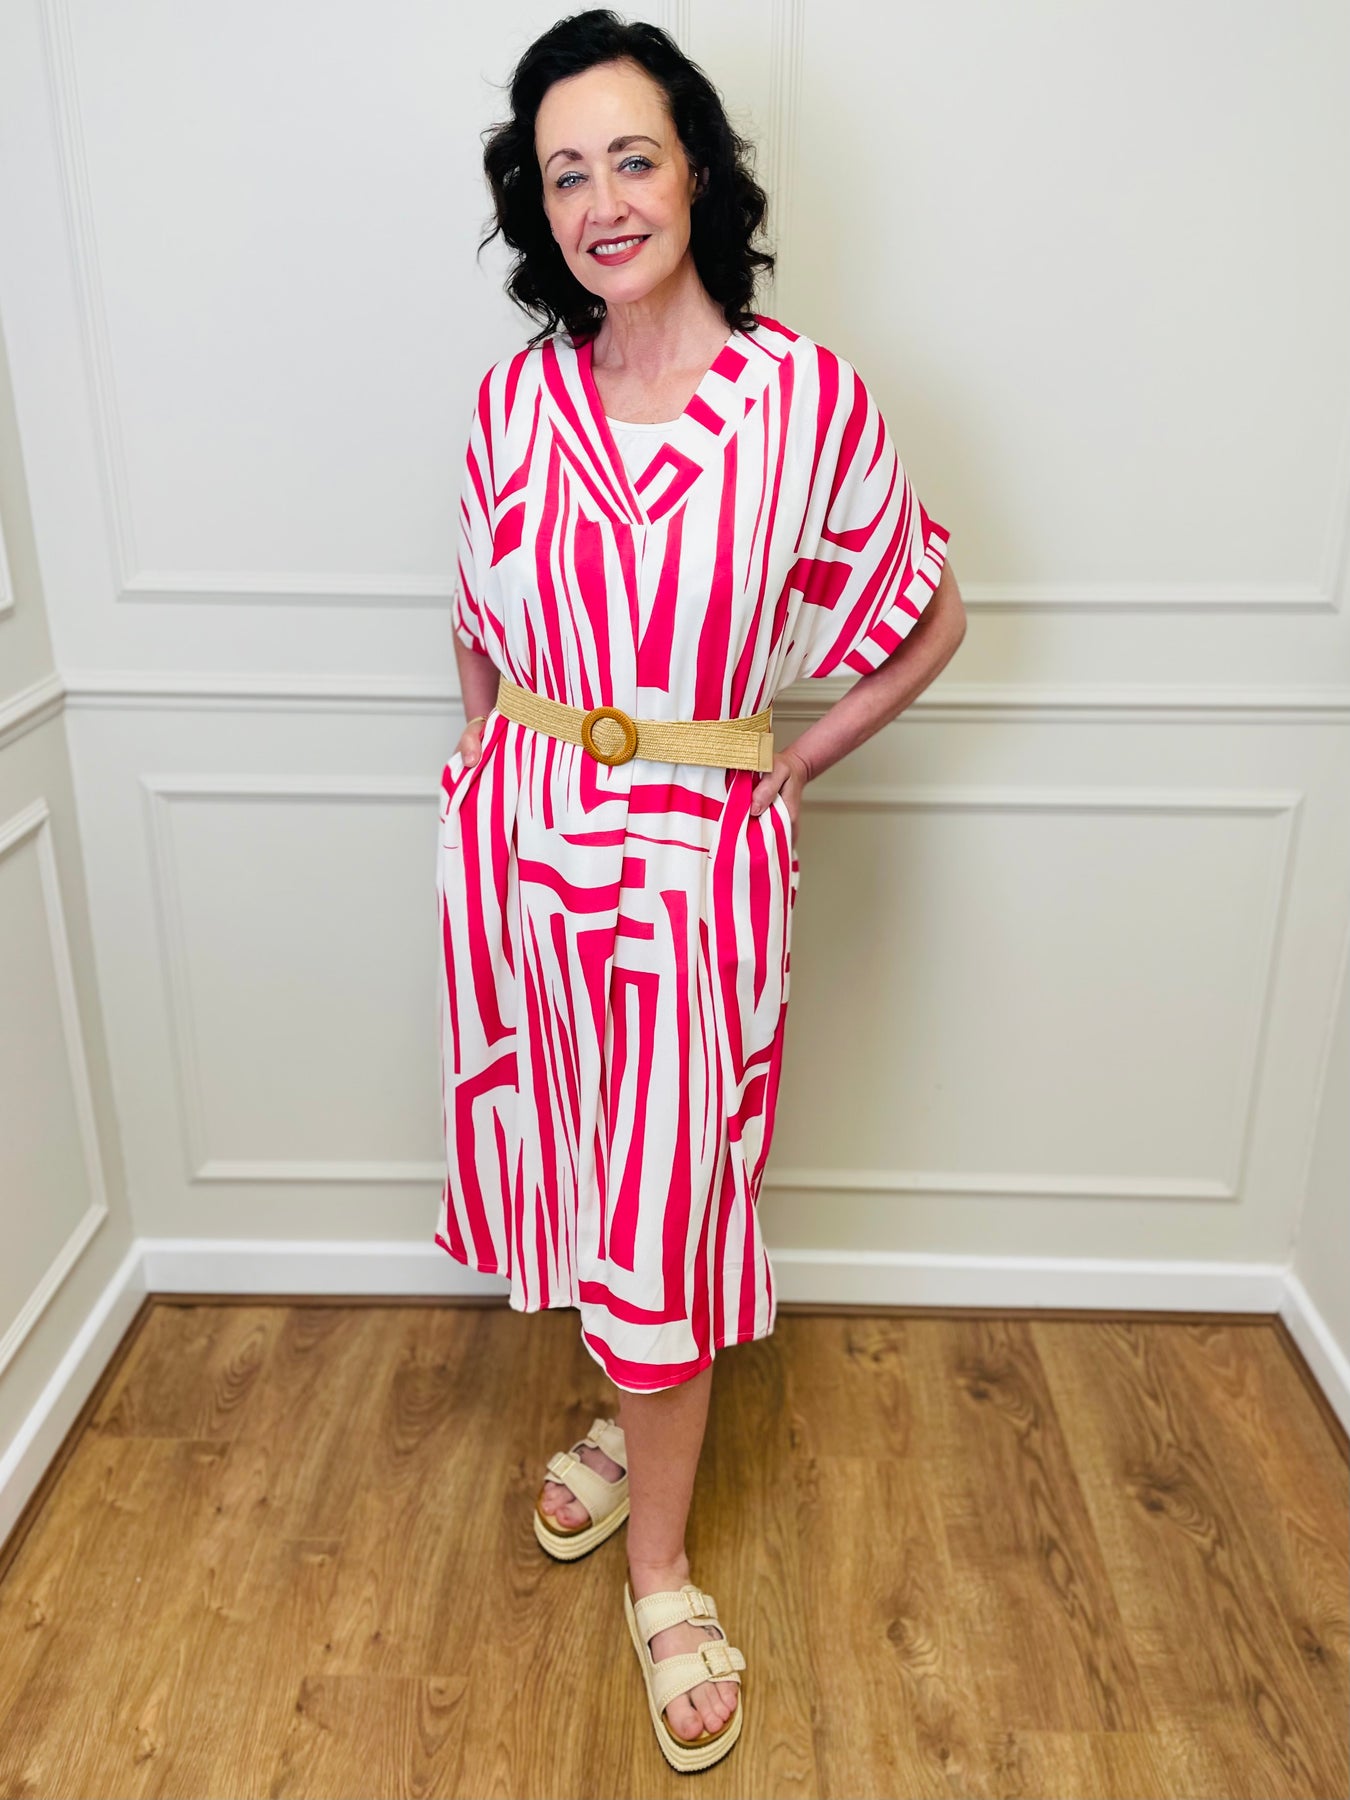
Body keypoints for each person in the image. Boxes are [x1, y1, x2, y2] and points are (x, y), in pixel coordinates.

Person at [435, 8, 967, 1773]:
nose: (600, 200)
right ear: (536, 206)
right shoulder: (513, 404)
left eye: (631, 157)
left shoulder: (800, 403)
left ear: (698, 173)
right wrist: (481, 776)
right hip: (522, 862)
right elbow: (473, 623)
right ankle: (625, 1425)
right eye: (562, 173)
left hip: (692, 879)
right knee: (584, 1182)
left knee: (667, 1210)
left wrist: (792, 761)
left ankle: (659, 1567)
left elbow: (928, 618)